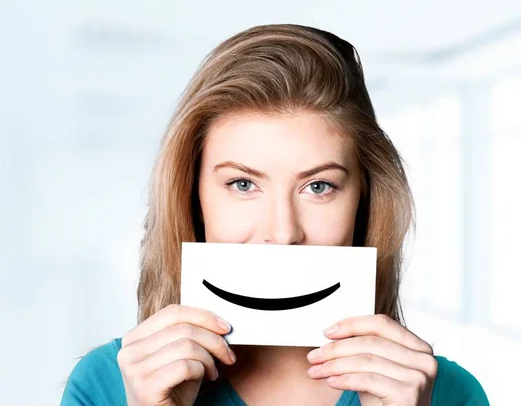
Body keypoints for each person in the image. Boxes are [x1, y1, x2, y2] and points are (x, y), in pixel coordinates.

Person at [61, 24, 489, 406]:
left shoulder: (444, 392)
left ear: (365, 200)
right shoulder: (106, 384)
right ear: (193, 198)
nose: (282, 233)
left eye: (318, 187)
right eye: (243, 185)